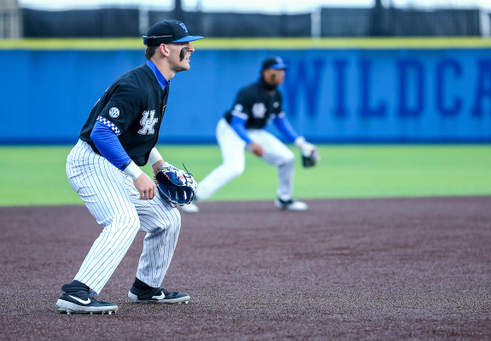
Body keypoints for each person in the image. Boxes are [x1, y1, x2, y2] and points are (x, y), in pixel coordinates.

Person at [55, 19, 203, 315]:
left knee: (167, 219)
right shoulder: (137, 85)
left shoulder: (159, 82)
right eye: (184, 44)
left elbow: (137, 133)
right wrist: (137, 175)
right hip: (91, 162)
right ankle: (77, 291)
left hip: (111, 162)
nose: (192, 48)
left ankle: (146, 287)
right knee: (124, 220)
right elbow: (102, 133)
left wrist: (158, 164)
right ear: (164, 49)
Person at [181, 56, 318, 214]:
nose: (281, 73)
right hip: (231, 130)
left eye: (283, 70)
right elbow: (237, 123)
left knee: (287, 158)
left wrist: (300, 142)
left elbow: (280, 121)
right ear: (265, 73)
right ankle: (190, 196)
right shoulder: (249, 92)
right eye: (277, 70)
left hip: (254, 131)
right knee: (235, 167)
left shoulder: (276, 95)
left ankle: (284, 199)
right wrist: (250, 143)